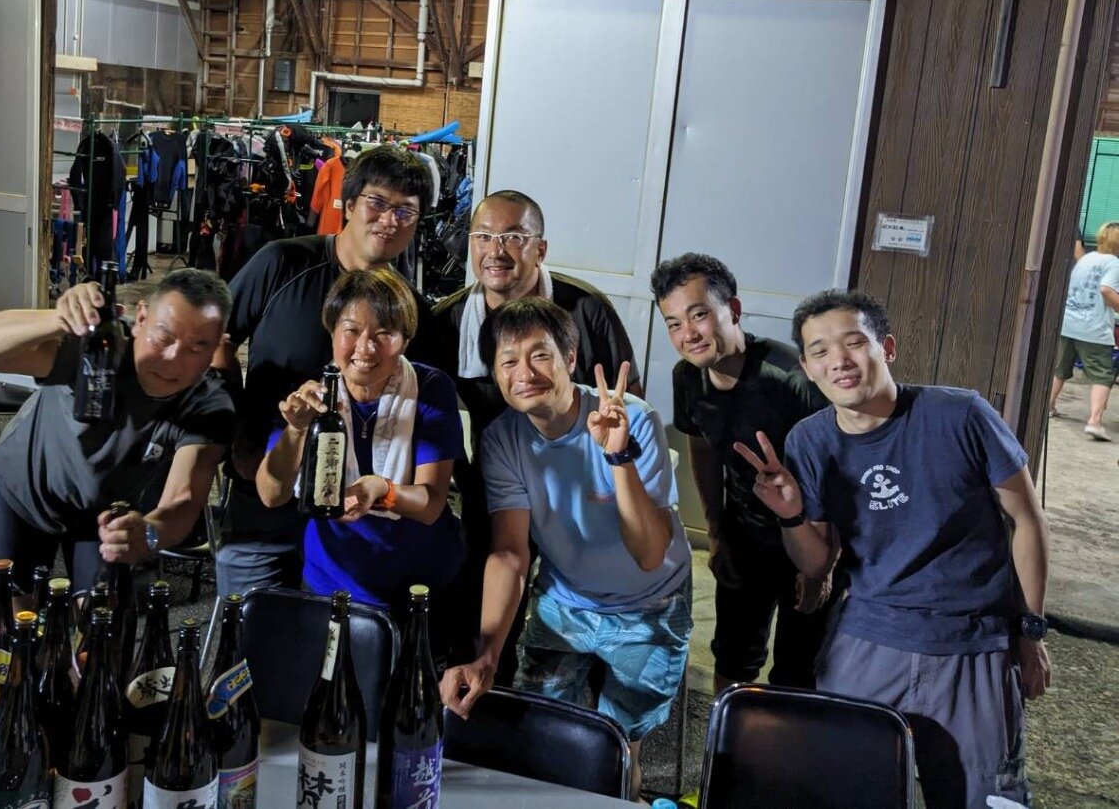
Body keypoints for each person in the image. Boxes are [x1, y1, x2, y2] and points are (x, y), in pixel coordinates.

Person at [738, 289, 1049, 808]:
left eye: (853, 342)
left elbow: (1027, 520)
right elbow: (817, 562)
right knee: (847, 792)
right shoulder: (809, 441)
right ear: (808, 369)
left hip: (970, 644)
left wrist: (1031, 631)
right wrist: (790, 514)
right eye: (819, 351)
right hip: (868, 641)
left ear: (887, 347)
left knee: (983, 797)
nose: (839, 360)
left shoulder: (960, 414)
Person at [440, 299, 691, 796]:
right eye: (508, 361)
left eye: (540, 355)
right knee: (545, 737)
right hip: (566, 602)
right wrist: (487, 654)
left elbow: (648, 554)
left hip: (650, 605)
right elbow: (510, 552)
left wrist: (619, 457)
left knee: (615, 749)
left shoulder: (634, 419)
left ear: (570, 358)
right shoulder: (502, 439)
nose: (524, 373)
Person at [430, 190, 643, 664]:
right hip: (497, 485)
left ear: (540, 248)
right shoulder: (449, 321)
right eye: (483, 237)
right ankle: (489, 683)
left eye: (513, 237)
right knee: (485, 609)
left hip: (583, 488)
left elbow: (628, 399)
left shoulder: (584, 309)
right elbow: (426, 408)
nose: (496, 251)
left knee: (583, 624)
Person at [212, 145, 433, 597]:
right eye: (377, 203)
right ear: (348, 204)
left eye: (405, 211)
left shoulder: (410, 309)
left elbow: (425, 401)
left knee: (335, 632)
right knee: (252, 622)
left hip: (352, 517)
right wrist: (238, 434)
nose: (389, 221)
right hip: (265, 493)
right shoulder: (282, 263)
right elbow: (217, 339)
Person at [0, 269, 235, 596]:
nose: (174, 359)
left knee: (99, 619)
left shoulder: (207, 404)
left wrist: (149, 532)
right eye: (164, 336)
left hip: (103, 514)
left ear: (216, 348)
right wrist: (61, 317)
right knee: (18, 611)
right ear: (141, 318)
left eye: (197, 348)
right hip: (26, 490)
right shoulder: (99, 348)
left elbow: (183, 500)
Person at [651, 252, 833, 693]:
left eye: (698, 315)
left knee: (798, 667)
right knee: (734, 655)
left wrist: (820, 567)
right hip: (745, 534)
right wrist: (716, 531)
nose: (687, 334)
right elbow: (702, 447)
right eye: (674, 324)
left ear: (732, 309)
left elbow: (835, 471)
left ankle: (787, 738)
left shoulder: (792, 378)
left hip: (808, 536)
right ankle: (727, 733)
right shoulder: (687, 377)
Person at [255, 269, 466, 636]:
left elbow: (431, 504)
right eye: (351, 330)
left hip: (418, 585)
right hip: (331, 581)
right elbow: (272, 494)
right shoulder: (311, 394)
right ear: (332, 331)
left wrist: (381, 490)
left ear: (405, 340)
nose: (365, 348)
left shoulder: (430, 389)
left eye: (384, 333)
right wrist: (296, 430)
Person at [1048, 219, 1119, 441]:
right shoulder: (1113, 264)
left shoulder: (1086, 259)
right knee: (1102, 374)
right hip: (1093, 328)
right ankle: (1094, 422)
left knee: (1060, 369)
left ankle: (1048, 406)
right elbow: (1106, 289)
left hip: (1069, 323)